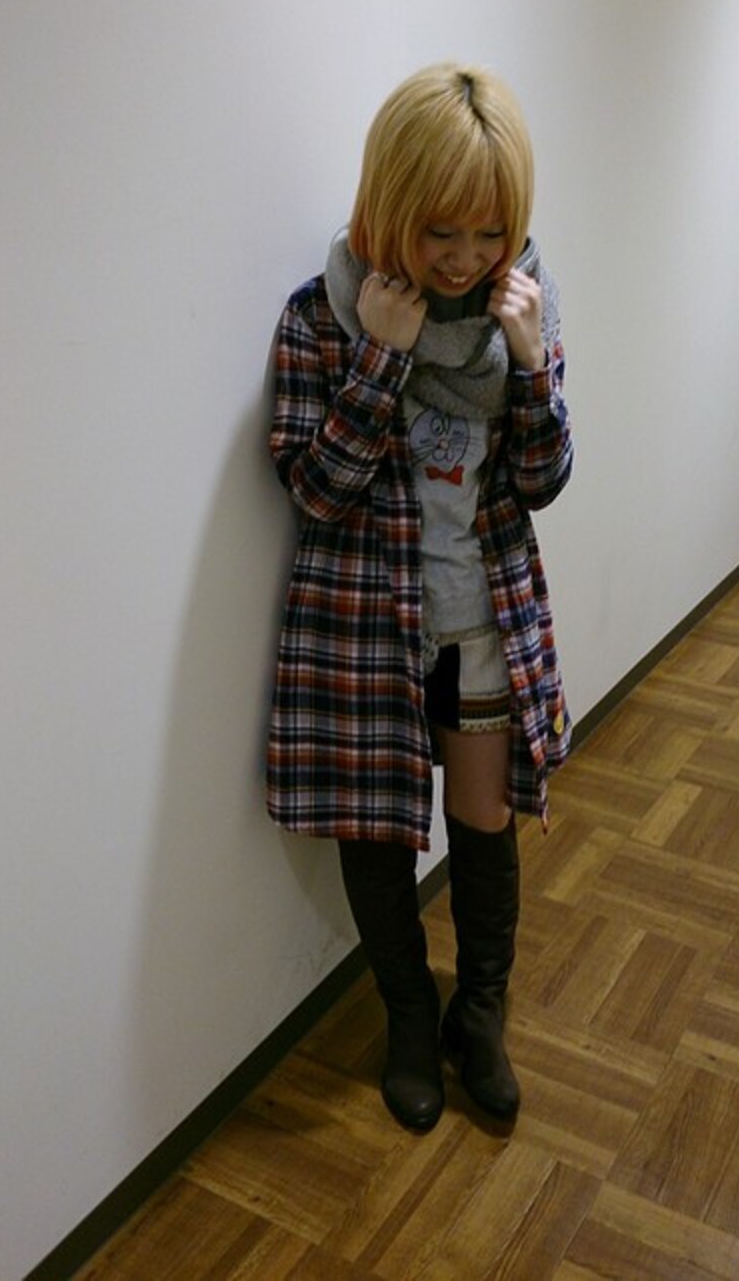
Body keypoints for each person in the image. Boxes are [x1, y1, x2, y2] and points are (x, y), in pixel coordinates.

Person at [267, 62, 572, 1131]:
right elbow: (316, 490)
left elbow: (542, 481)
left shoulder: (520, 305)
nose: (464, 257)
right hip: (365, 627)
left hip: (483, 621)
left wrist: (530, 365)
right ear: (393, 204)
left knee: (485, 819)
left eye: (489, 232)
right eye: (442, 230)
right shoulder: (324, 314)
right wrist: (382, 360)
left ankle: (478, 1015)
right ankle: (407, 1014)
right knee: (378, 830)